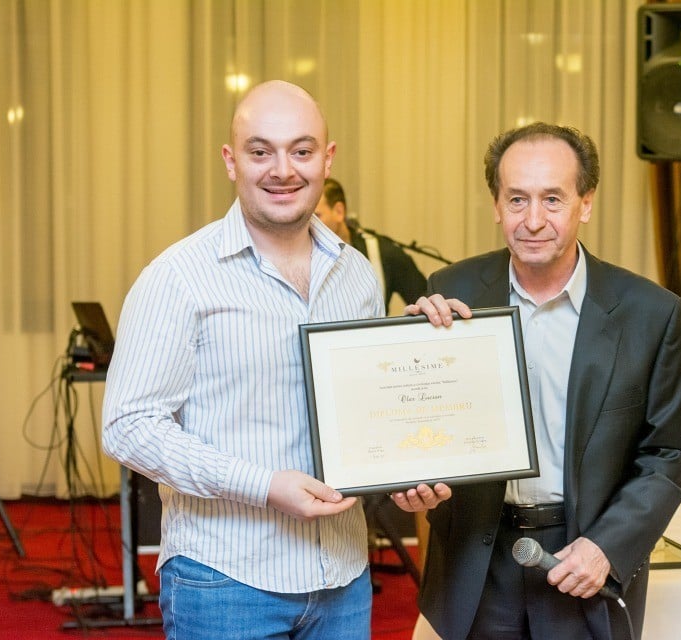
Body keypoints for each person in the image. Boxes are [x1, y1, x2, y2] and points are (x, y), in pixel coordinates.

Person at [102, 80, 449, 640]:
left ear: (327, 159)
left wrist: (407, 467)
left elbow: (364, 417)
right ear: (230, 161)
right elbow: (128, 427)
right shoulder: (177, 277)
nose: (282, 170)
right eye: (261, 151)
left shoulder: (357, 275)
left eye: (301, 151)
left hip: (343, 577)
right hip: (225, 581)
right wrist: (262, 485)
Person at [396, 122, 681, 640]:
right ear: (496, 205)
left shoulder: (652, 314)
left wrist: (607, 547)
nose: (533, 220)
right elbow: (424, 420)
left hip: (583, 559)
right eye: (517, 199)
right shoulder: (452, 292)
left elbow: (668, 456)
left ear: (586, 203)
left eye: (552, 199)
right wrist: (408, 467)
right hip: (476, 562)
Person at [314, 177, 428, 311]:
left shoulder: (381, 252)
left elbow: (424, 300)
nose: (310, 223)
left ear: (339, 212)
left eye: (316, 216)